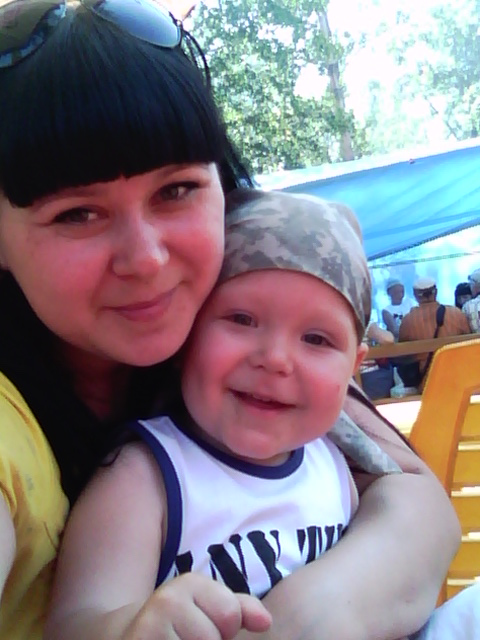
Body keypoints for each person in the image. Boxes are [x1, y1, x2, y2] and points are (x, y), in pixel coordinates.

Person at [0, 1, 462, 639]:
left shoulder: (247, 319)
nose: (146, 258)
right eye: (76, 213)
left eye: (176, 190)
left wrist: (299, 618)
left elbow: (420, 508)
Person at [44, 189, 371, 638]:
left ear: (355, 366)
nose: (275, 359)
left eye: (317, 340)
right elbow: (74, 624)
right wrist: (136, 627)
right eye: (241, 319)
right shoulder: (144, 478)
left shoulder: (333, 468)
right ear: (185, 338)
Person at [398, 277, 470, 391]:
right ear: (435, 292)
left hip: (427, 382)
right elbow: (469, 342)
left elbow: (402, 353)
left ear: (416, 295)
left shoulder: (408, 320)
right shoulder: (456, 314)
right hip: (458, 377)